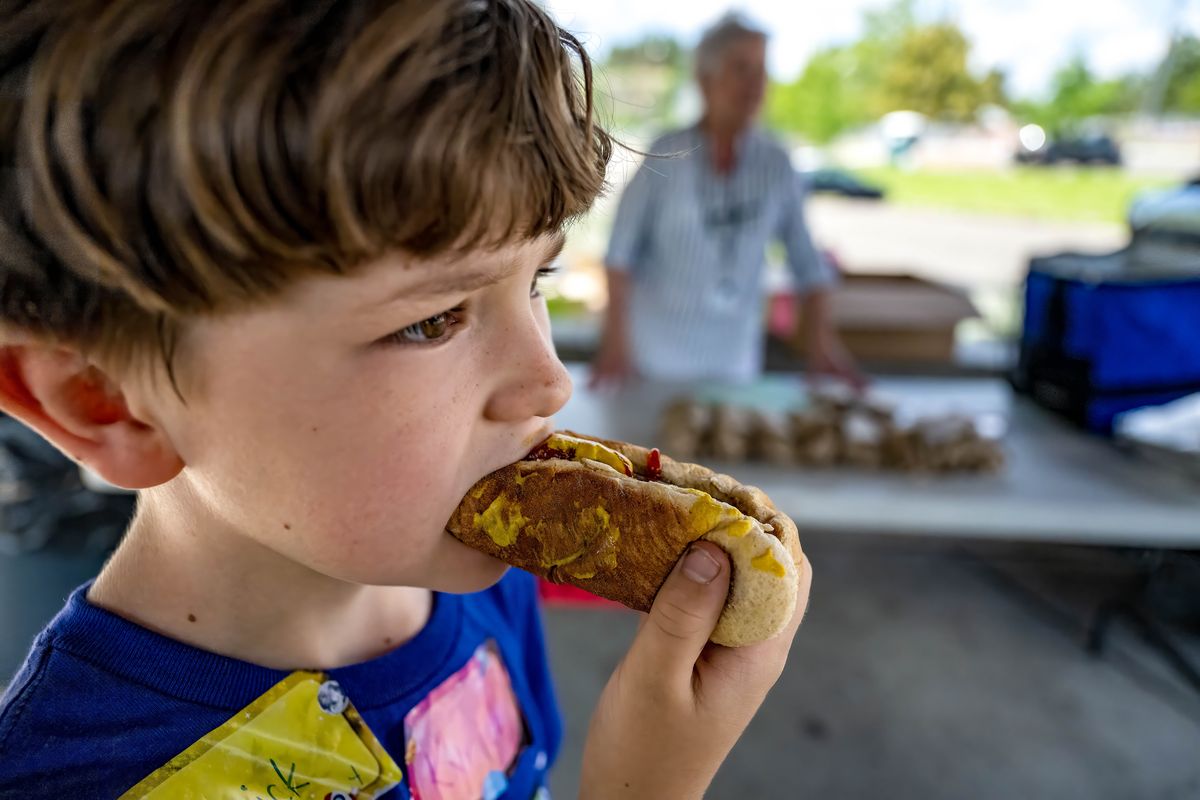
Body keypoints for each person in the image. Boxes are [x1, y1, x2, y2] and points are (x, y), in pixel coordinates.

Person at [0, 1, 810, 797]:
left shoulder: (493, 587)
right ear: (105, 399)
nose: (548, 381)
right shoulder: (74, 774)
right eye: (431, 321)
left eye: (539, 280)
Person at [592, 12, 864, 388]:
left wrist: (822, 347)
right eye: (741, 69)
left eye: (762, 72)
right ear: (706, 80)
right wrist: (614, 343)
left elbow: (808, 265)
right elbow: (619, 255)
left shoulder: (776, 163)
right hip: (653, 364)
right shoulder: (667, 153)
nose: (755, 85)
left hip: (734, 368)